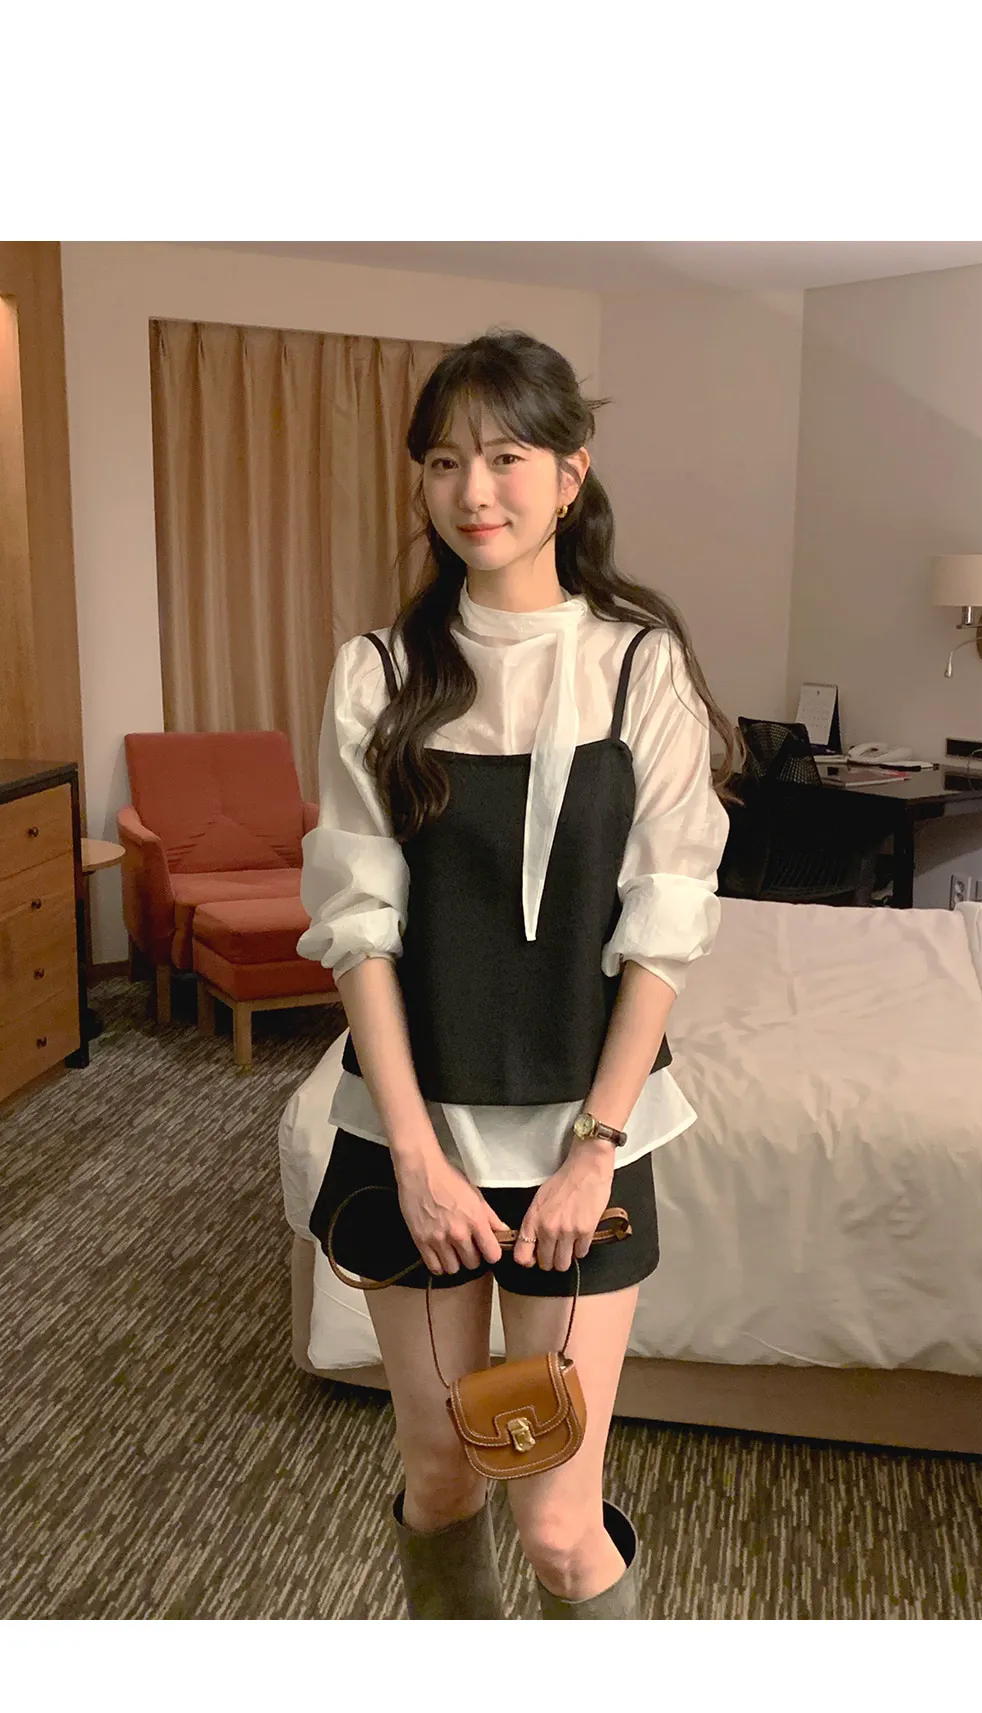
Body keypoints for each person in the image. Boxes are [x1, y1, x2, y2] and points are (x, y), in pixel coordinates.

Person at [297, 327, 740, 1620]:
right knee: (442, 1476)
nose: (472, 490)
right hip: (413, 1131)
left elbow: (666, 920)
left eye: (504, 457)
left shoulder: (638, 662)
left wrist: (596, 1147)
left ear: (569, 475)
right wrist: (416, 1154)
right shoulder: (379, 674)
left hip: (578, 1145)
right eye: (443, 461)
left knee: (555, 1522)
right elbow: (359, 926)